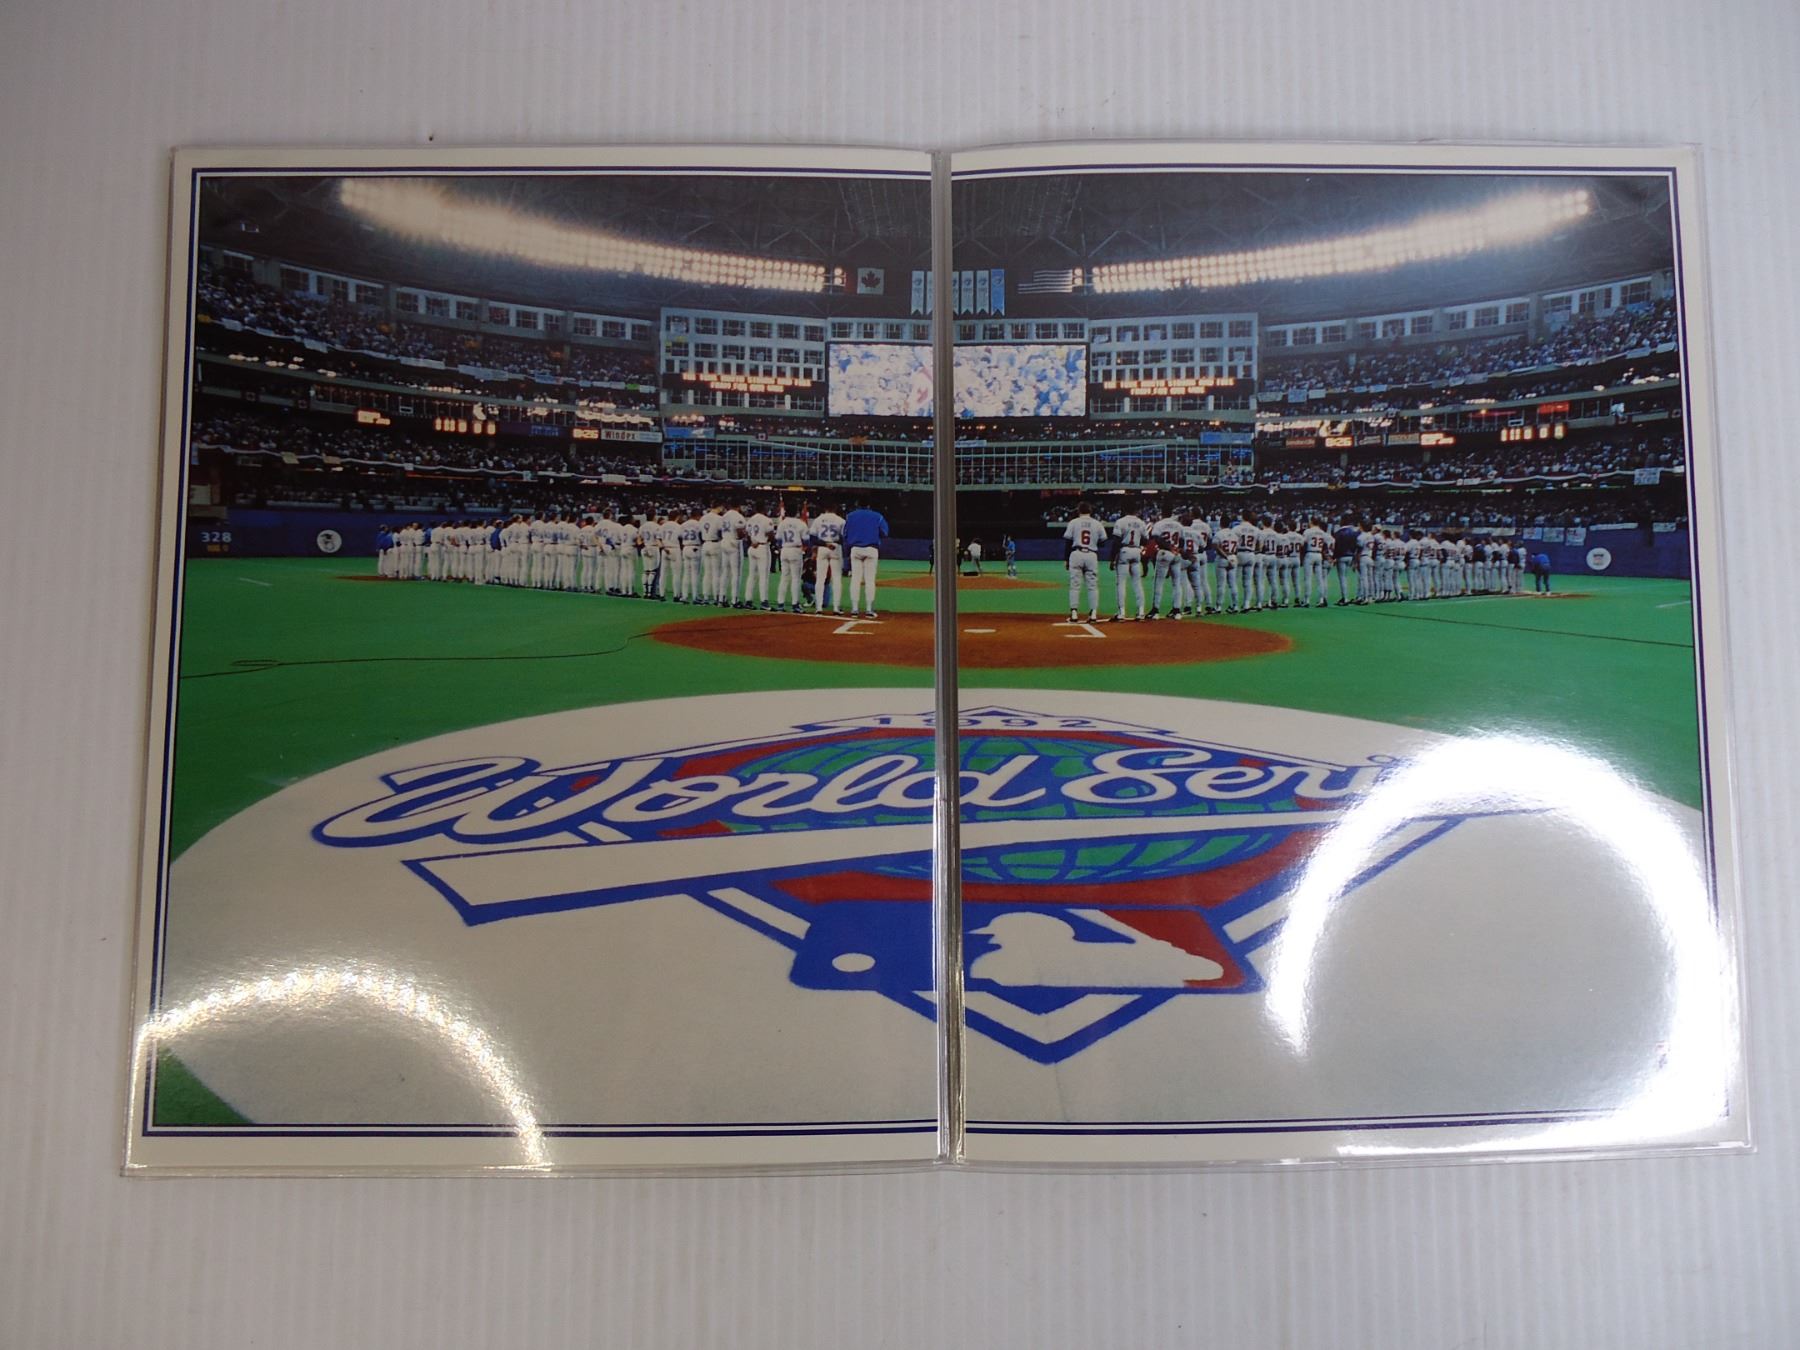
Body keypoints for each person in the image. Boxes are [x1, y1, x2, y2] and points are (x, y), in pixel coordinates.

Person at [843, 498, 890, 618]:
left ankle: (854, 609)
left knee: (855, 579)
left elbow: (845, 534)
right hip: (871, 549)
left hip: (855, 549)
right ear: (869, 505)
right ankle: (869, 609)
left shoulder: (850, 516)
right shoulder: (877, 516)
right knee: (870, 580)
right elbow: (885, 533)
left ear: (857, 505)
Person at [1062, 501, 1106, 623]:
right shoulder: (1097, 523)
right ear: (1090, 511)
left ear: (1078, 511)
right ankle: (1093, 614)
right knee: (1092, 586)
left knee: (1075, 585)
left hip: (1076, 553)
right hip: (1091, 555)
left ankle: (1074, 613)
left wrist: (1066, 559)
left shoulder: (1073, 522)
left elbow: (1068, 542)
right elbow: (1103, 543)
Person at [1110, 506, 1149, 621]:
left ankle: (1121, 612)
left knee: (1121, 583)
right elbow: (1145, 540)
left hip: (1124, 550)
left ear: (1125, 510)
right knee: (1137, 583)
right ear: (1136, 510)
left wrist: (1112, 559)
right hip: (1136, 551)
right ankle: (1141, 611)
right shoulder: (1141, 522)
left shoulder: (1121, 521)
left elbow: (1116, 542)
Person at [810, 502, 847, 613]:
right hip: (835, 547)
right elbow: (844, 537)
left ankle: (818, 607)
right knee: (836, 578)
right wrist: (834, 543)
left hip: (822, 547)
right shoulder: (841, 520)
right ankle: (836, 607)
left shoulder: (818, 519)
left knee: (820, 578)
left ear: (825, 508)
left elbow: (812, 538)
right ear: (835, 508)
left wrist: (825, 543)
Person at [774, 509, 809, 611]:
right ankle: (795, 604)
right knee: (796, 578)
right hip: (795, 550)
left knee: (784, 578)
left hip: (784, 550)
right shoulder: (800, 523)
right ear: (796, 513)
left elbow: (778, 539)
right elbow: (806, 540)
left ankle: (780, 603)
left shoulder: (782, 523)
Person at [743, 504, 775, 609]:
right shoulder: (767, 520)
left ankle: (748, 600)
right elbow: (771, 535)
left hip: (752, 547)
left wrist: (752, 541)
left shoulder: (751, 519)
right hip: (762, 547)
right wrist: (766, 540)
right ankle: (764, 601)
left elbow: (747, 533)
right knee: (763, 576)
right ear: (764, 509)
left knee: (751, 575)